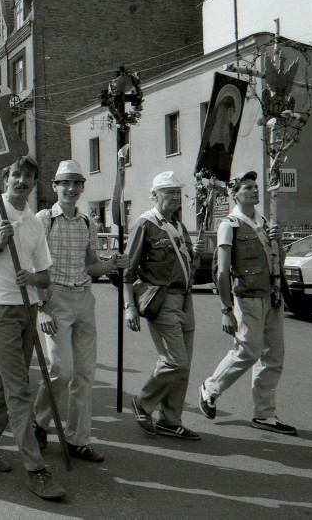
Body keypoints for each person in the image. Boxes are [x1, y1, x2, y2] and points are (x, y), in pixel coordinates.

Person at [0, 155, 66, 500]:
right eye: (16, 174)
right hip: (0, 310)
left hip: (28, 309)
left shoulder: (35, 223)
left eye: (28, 177)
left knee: (8, 383)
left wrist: (31, 277)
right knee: (19, 390)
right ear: (5, 178)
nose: (21, 181)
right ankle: (36, 470)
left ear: (34, 183)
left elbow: (45, 276)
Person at [32, 160, 127, 463]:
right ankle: (38, 420)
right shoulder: (44, 220)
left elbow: (91, 265)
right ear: (54, 186)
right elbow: (32, 267)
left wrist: (112, 264)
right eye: (66, 183)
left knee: (84, 375)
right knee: (62, 370)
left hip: (84, 298)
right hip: (54, 297)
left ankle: (77, 439)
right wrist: (42, 306)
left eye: (77, 183)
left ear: (82, 187)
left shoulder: (88, 222)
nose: (71, 189)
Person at [199, 171, 296, 435]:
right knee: (248, 351)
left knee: (273, 357)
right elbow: (222, 271)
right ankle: (211, 387)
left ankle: (264, 415)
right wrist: (225, 309)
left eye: (256, 187)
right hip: (248, 298)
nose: (255, 191)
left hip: (271, 295)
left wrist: (278, 240)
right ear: (235, 193)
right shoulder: (229, 225)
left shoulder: (263, 222)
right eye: (248, 188)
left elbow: (279, 259)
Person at [123, 171, 201, 440]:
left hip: (185, 299)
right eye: (168, 192)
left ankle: (170, 419)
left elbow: (189, 265)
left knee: (184, 365)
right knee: (175, 361)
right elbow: (127, 270)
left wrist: (196, 255)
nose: (175, 197)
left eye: (177, 192)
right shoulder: (146, 224)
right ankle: (143, 402)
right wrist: (129, 307)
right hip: (162, 299)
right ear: (154, 195)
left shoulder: (178, 226)